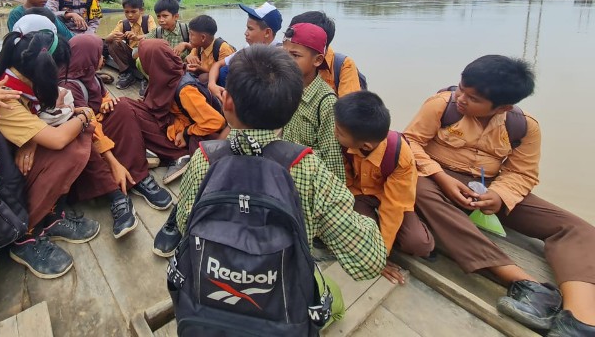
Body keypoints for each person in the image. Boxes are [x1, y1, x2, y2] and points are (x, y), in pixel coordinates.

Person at [405, 55, 595, 336]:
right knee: (419, 190)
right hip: (436, 179)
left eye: (473, 98)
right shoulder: (441, 105)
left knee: (575, 228)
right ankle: (526, 284)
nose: (461, 98)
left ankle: (579, 319)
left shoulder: (524, 127)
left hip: (488, 188)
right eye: (461, 88)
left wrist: (499, 196)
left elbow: (522, 174)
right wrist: (442, 179)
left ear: (503, 107)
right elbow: (410, 143)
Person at [175, 45, 387, 281]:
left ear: (227, 103)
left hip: (216, 281)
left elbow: (185, 224)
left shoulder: (204, 159)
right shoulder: (308, 168)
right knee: (331, 300)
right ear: (294, 106)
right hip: (280, 293)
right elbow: (370, 261)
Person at [0, 24, 100, 280]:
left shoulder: (10, 76)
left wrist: (31, 140)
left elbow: (35, 114)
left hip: (5, 165)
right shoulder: (5, 97)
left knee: (73, 136)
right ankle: (24, 235)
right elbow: (57, 139)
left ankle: (50, 215)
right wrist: (85, 115)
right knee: (73, 146)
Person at [61, 34, 172, 239]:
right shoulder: (68, 88)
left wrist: (105, 103)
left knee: (121, 106)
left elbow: (101, 98)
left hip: (96, 125)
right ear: (87, 59)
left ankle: (138, 175)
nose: (102, 59)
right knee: (89, 144)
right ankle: (115, 193)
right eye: (99, 56)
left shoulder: (91, 77)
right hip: (84, 136)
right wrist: (113, 162)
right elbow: (90, 128)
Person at [334, 91, 434, 285]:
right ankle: (379, 234)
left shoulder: (399, 155)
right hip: (359, 195)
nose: (335, 133)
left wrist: (380, 257)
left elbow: (393, 207)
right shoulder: (343, 143)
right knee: (359, 234)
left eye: (340, 132)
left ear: (366, 144)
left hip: (390, 198)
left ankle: (402, 232)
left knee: (419, 244)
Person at [124, 39, 228, 185]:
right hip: (181, 120)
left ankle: (180, 157)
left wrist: (186, 133)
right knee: (130, 108)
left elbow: (215, 122)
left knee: (128, 111)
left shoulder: (185, 90)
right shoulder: (167, 73)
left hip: (198, 131)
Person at [281, 23, 343, 179]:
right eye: (284, 54)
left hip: (309, 181)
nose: (287, 61)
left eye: (295, 56)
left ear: (317, 60)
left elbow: (332, 161)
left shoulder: (326, 102)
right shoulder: (284, 89)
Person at [207, 1, 283, 99]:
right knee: (224, 70)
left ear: (267, 32)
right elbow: (218, 64)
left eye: (250, 29)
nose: (245, 33)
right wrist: (212, 84)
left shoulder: (279, 57)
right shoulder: (248, 49)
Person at [289, 11, 363, 96]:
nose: (288, 58)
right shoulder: (279, 57)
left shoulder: (343, 66)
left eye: (295, 55)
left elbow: (348, 106)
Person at [104, 0, 156, 89]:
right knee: (112, 42)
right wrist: (113, 36)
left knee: (150, 45)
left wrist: (137, 37)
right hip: (131, 56)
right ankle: (127, 73)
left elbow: (155, 35)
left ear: (141, 11)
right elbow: (106, 39)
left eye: (133, 11)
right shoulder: (123, 24)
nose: (130, 15)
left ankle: (146, 77)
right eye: (126, 12)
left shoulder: (148, 19)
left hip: (144, 56)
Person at [182, 14, 235, 81]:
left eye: (191, 34)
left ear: (203, 37)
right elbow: (190, 58)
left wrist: (200, 69)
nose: (189, 38)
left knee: (204, 77)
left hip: (220, 86)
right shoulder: (197, 47)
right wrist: (188, 58)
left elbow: (224, 75)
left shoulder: (223, 49)